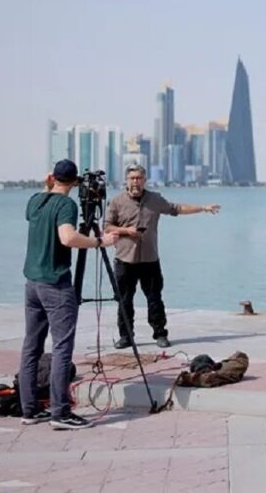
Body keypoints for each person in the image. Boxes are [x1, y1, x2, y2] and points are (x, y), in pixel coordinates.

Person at [20, 159, 118, 430]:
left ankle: (29, 409)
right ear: (75, 182)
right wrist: (100, 241)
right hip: (55, 285)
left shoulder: (35, 201)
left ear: (52, 177)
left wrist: (46, 184)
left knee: (31, 347)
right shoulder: (67, 205)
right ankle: (61, 413)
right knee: (62, 348)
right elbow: (67, 237)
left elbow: (40, 204)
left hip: (32, 284)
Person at [104, 164, 220, 349]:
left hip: (150, 259)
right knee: (125, 300)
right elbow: (107, 226)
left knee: (154, 298)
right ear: (126, 180)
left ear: (144, 180)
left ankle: (160, 334)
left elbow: (177, 209)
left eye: (139, 178)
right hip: (125, 260)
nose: (135, 182)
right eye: (132, 178)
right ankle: (126, 336)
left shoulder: (155, 199)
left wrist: (203, 208)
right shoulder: (117, 202)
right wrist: (126, 230)